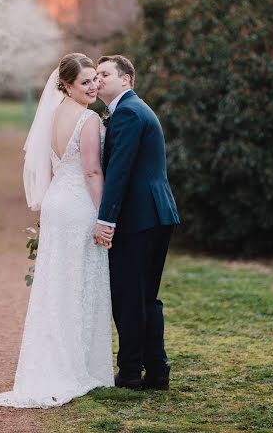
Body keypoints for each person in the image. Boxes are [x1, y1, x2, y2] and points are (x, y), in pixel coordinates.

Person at [0, 53, 114, 409]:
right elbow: (91, 171)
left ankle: (55, 361)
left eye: (94, 80)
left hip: (58, 202)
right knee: (79, 282)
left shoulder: (55, 114)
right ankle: (79, 367)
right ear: (67, 86)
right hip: (78, 207)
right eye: (84, 82)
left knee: (57, 283)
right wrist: (106, 216)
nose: (92, 87)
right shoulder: (88, 119)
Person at [95, 55, 180, 391]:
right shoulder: (131, 110)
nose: (98, 80)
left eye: (104, 74)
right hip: (155, 214)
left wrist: (105, 219)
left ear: (126, 79)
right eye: (96, 74)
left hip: (140, 217)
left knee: (129, 296)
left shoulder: (128, 112)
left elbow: (120, 170)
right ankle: (157, 371)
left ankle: (130, 373)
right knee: (146, 297)